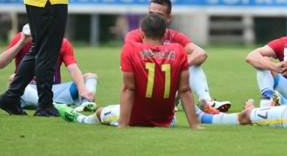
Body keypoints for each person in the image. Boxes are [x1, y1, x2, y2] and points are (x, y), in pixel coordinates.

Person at [56, 12, 201, 129]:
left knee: (100, 112)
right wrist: (194, 125)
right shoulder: (179, 51)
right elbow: (185, 90)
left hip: (135, 118)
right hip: (167, 120)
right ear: (164, 36)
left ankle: (80, 119)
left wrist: (123, 125)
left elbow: (128, 89)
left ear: (142, 34)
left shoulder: (131, 49)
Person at [124, 0, 230, 114]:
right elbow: (130, 59)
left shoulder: (174, 36)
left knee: (192, 64)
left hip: (166, 86)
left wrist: (178, 65)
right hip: (145, 90)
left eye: (158, 15)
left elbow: (201, 54)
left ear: (168, 18)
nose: (153, 18)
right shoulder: (134, 35)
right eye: (150, 13)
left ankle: (206, 101)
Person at [0, 23, 98, 112]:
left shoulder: (62, 43)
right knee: (13, 78)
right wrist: (21, 43)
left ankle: (85, 103)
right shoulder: (21, 39)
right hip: (26, 90)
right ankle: (52, 105)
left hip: (51, 90)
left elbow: (73, 69)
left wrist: (82, 89)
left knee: (90, 76)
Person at [245, 8, 287, 107]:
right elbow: (251, 56)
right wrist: (275, 67)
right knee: (264, 61)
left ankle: (283, 103)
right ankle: (267, 101)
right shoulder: (284, 42)